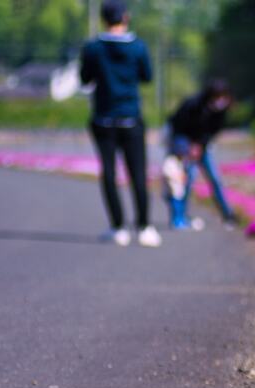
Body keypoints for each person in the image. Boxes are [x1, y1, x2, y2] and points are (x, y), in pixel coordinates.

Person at [80, 0, 161, 247]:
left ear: (105, 19)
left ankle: (118, 227)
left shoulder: (93, 48)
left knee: (109, 173)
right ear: (125, 17)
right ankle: (144, 226)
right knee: (137, 173)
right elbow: (147, 76)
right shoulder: (138, 47)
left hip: (103, 118)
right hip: (131, 117)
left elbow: (85, 78)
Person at [165, 80, 236, 229]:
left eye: (223, 97)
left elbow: (212, 132)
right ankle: (179, 216)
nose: (220, 101)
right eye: (217, 97)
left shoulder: (221, 111)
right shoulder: (193, 105)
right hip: (184, 142)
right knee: (186, 179)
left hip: (201, 146)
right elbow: (179, 125)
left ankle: (228, 214)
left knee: (215, 179)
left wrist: (200, 145)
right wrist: (188, 147)